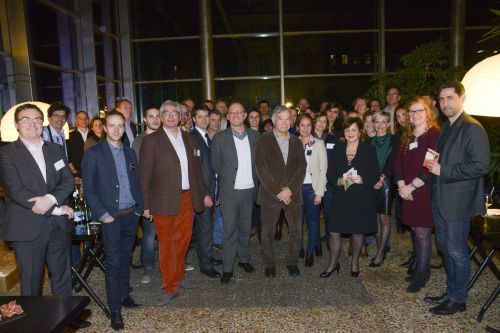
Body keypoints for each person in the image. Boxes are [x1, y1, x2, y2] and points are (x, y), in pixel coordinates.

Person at [0, 103, 90, 329]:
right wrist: (58, 208)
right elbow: (16, 191)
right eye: (26, 119)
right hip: (28, 228)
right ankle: (33, 325)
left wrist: (50, 200)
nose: (32, 123)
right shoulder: (6, 152)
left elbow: (67, 182)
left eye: (37, 119)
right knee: (31, 284)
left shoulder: (55, 149)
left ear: (44, 123)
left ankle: (66, 322)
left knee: (62, 279)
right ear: (17, 125)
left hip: (57, 227)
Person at [424, 81, 490, 315]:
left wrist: (444, 171)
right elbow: (440, 159)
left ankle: (458, 299)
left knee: (456, 251)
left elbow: (481, 165)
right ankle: (451, 292)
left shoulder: (472, 127)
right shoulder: (449, 127)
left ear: (462, 98)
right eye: (441, 100)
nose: (445, 104)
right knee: (445, 247)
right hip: (440, 198)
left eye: (450, 98)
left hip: (458, 203)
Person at [82, 111, 144, 330]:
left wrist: (140, 208)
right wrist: (103, 215)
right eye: (112, 125)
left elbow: (136, 182)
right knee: (114, 262)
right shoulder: (93, 154)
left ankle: (125, 294)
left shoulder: (129, 153)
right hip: (111, 219)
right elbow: (88, 190)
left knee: (126, 257)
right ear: (104, 128)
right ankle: (115, 309)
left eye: (120, 125)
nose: (117, 129)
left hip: (131, 215)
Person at [139, 100, 204, 305]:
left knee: (183, 241)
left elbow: (196, 170)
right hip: (162, 200)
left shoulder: (189, 138)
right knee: (166, 244)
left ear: (180, 116)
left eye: (174, 113)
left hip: (187, 198)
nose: (170, 116)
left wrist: (200, 196)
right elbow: (144, 175)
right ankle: (169, 286)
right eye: (165, 113)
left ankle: (179, 276)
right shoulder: (152, 141)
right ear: (160, 116)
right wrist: (146, 205)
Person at [321, 117, 378, 278]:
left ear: (360, 132)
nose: (350, 133)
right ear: (343, 133)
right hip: (341, 197)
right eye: (347, 130)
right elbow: (330, 172)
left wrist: (363, 180)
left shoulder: (368, 150)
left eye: (354, 130)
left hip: (361, 196)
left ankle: (354, 262)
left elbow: (375, 174)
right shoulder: (338, 149)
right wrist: (337, 180)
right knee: (333, 231)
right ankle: (333, 263)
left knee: (357, 231)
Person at [211, 102, 260, 284]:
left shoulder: (256, 136)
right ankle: (227, 268)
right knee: (229, 230)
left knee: (245, 228)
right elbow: (216, 165)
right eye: (232, 112)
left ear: (245, 115)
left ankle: (244, 260)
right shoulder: (219, 138)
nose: (236, 114)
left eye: (240, 111)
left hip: (249, 191)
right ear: (228, 117)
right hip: (229, 192)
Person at [395, 97, 440, 293]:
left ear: (428, 112)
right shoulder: (408, 135)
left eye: (419, 110)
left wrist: (410, 187)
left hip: (423, 190)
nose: (415, 115)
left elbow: (430, 167)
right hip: (407, 191)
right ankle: (421, 268)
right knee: (414, 229)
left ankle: (422, 273)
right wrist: (401, 185)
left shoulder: (434, 135)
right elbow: (397, 164)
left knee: (423, 232)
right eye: (412, 112)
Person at [255, 106, 307, 278]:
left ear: (291, 122)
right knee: (267, 231)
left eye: (288, 119)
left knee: (296, 230)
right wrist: (279, 191)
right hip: (271, 195)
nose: (284, 122)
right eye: (280, 118)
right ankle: (269, 264)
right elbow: (261, 169)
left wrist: (290, 189)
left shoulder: (296, 141)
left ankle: (292, 262)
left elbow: (302, 168)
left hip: (293, 195)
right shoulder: (263, 140)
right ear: (274, 120)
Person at [190, 105, 221, 279]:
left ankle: (207, 257)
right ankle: (206, 265)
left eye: (206, 116)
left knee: (207, 228)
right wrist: (205, 194)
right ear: (194, 119)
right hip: (203, 193)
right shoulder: (193, 138)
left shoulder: (207, 138)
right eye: (199, 117)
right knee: (205, 229)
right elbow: (195, 171)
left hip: (210, 190)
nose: (203, 119)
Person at [131, 107, 161, 284]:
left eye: (158, 116)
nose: (155, 120)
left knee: (167, 232)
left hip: (165, 194)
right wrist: (143, 200)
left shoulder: (165, 137)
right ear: (145, 119)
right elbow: (137, 172)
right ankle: (147, 268)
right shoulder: (139, 141)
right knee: (149, 234)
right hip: (148, 194)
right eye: (151, 117)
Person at [368, 111, 400, 268]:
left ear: (388, 124)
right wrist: (372, 179)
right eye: (377, 122)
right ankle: (382, 245)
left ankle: (380, 252)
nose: (380, 125)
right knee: (374, 218)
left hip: (386, 182)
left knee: (384, 218)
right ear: (374, 124)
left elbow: (394, 161)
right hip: (372, 183)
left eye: (383, 122)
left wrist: (381, 178)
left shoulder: (395, 140)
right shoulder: (369, 141)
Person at [297, 114, 327, 267]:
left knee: (313, 222)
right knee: (297, 222)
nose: (305, 128)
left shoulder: (318, 143)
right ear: (297, 127)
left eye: (308, 125)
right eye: (302, 125)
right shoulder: (292, 143)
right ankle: (300, 248)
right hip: (296, 190)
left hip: (311, 189)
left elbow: (323, 170)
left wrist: (319, 193)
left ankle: (310, 252)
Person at [67, 110, 89, 175]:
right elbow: (68, 155)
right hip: (78, 171)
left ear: (88, 119)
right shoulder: (70, 136)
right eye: (80, 118)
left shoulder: (94, 134)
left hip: (95, 170)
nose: (83, 120)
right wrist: (74, 171)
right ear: (76, 120)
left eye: (85, 118)